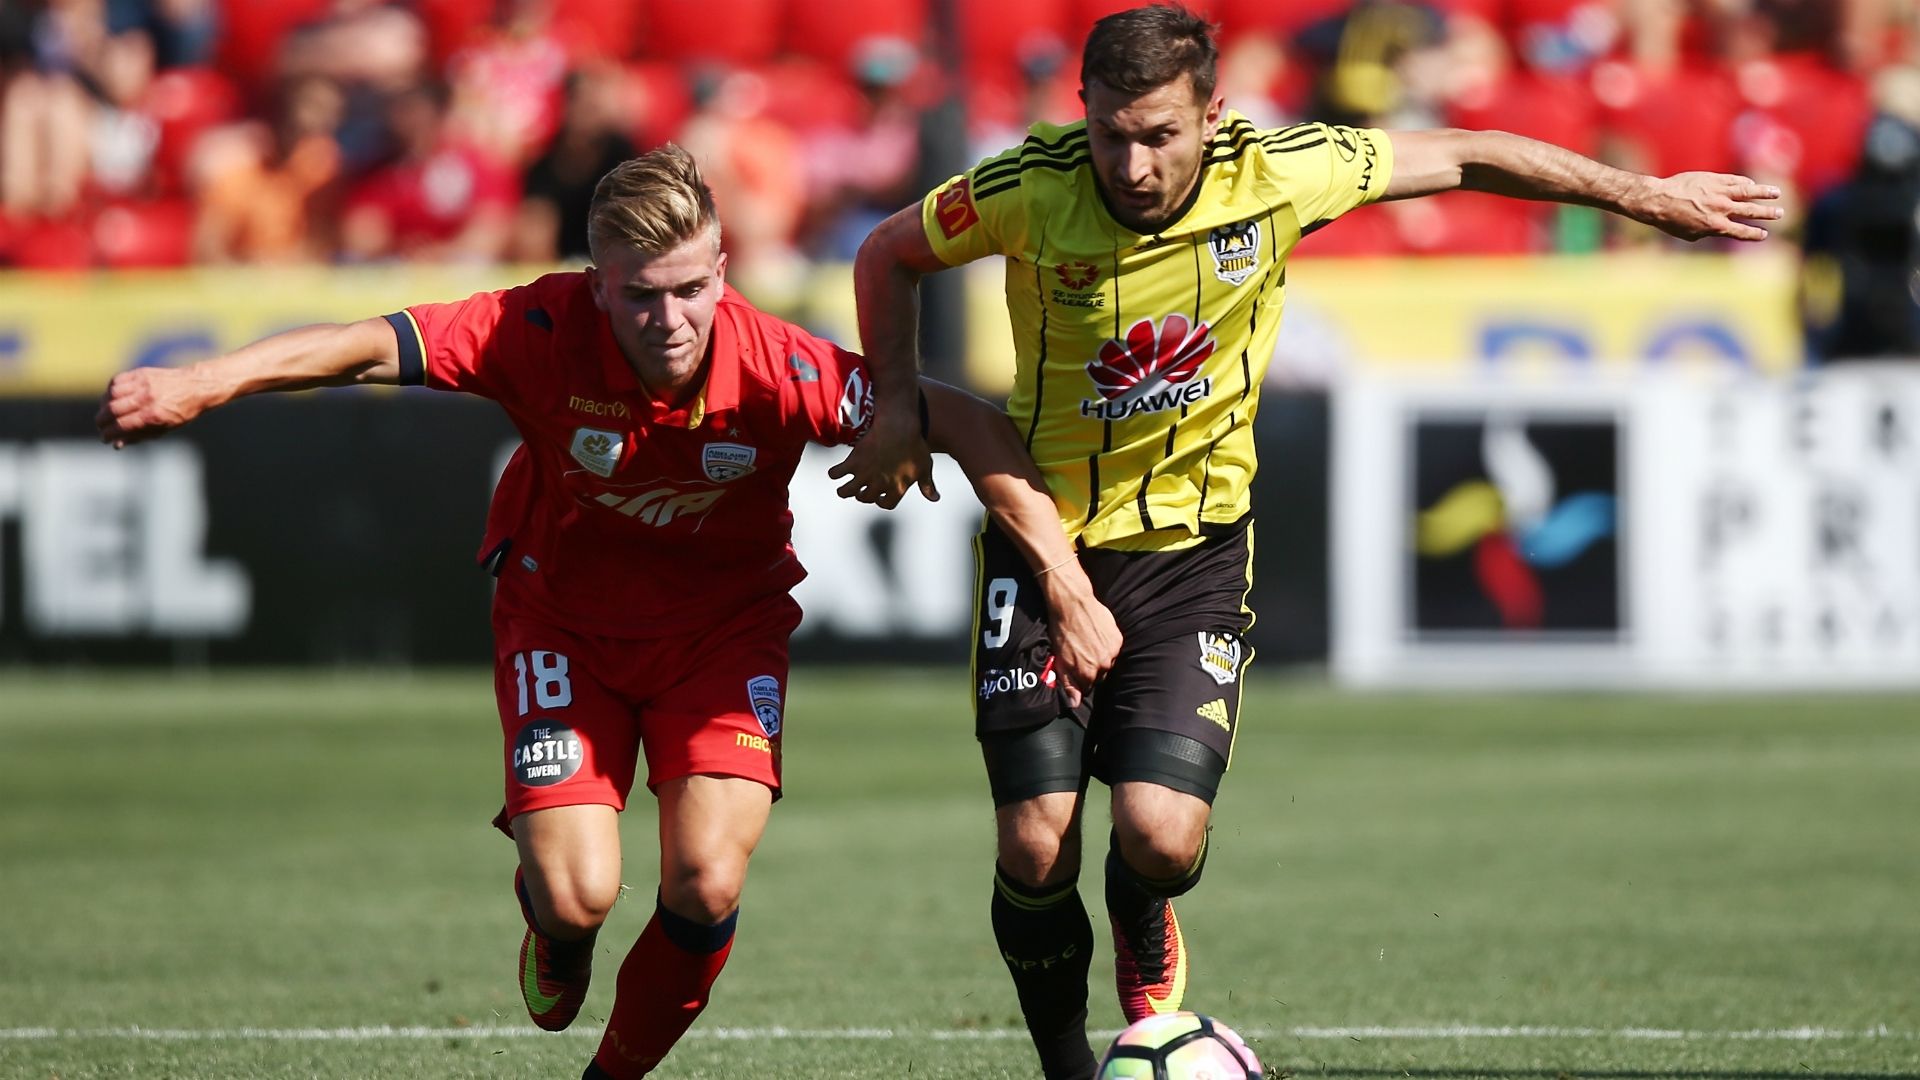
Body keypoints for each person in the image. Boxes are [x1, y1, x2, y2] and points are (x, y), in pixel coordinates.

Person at [843, 5, 1784, 1077]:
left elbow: (1472, 154)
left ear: (1214, 115)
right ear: (1083, 117)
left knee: (1158, 836)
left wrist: (1646, 196)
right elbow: (887, 254)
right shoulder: (1028, 188)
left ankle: (1144, 909)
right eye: (1111, 134)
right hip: (1044, 538)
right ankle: (1068, 1064)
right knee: (1034, 842)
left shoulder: (1286, 172)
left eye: (1160, 134)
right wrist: (893, 410)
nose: (1133, 163)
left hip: (1193, 554)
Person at [95, 144, 1121, 1080]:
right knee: (580, 894)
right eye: (638, 297)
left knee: (707, 880)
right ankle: (556, 927)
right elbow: (368, 346)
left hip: (722, 637)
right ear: (598, 286)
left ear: (721, 274)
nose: (668, 321)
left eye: (688, 291)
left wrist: (1059, 582)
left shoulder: (777, 369)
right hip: (561, 627)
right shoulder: (532, 329)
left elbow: (978, 426)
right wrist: (203, 382)